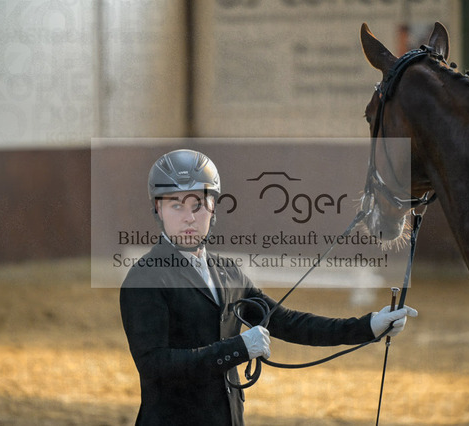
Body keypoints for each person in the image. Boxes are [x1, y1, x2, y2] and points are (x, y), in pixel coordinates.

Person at [120, 149, 418, 426]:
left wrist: (368, 327)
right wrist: (237, 349)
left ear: (212, 208)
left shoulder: (228, 272)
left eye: (198, 204)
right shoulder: (144, 278)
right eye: (176, 205)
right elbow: (155, 366)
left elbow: (287, 322)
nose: (189, 217)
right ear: (158, 209)